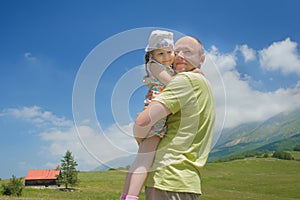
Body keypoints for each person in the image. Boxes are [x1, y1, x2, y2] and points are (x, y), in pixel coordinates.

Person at [133, 36, 216, 200]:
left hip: (167, 179)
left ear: (202, 59)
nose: (180, 56)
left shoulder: (185, 80)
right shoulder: (203, 83)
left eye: (187, 52)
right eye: (176, 51)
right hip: (186, 181)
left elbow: (142, 122)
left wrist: (142, 139)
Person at [120, 30, 176, 200]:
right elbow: (174, 84)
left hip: (151, 116)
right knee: (145, 161)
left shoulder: (160, 65)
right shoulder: (155, 66)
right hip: (155, 119)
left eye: (169, 52)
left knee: (140, 159)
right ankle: (132, 197)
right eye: (160, 53)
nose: (166, 57)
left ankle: (124, 196)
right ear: (152, 54)